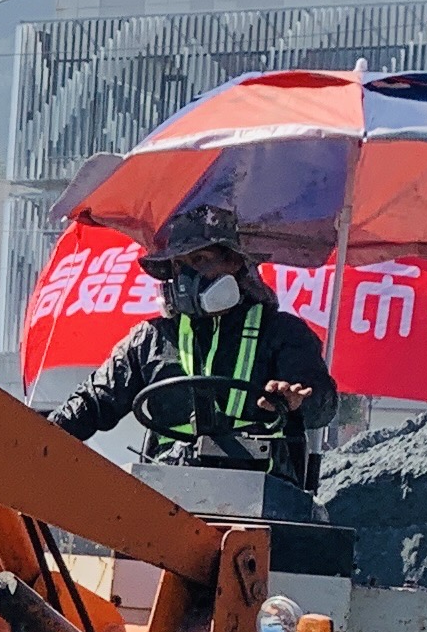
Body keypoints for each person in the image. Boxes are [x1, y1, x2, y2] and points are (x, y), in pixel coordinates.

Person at [49, 204, 338, 490]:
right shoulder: (148, 339)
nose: (187, 278)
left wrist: (295, 400)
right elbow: (92, 403)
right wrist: (36, 437)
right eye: (178, 265)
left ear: (235, 262)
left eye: (200, 260)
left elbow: (322, 406)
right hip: (164, 502)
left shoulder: (282, 332)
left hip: (265, 500)